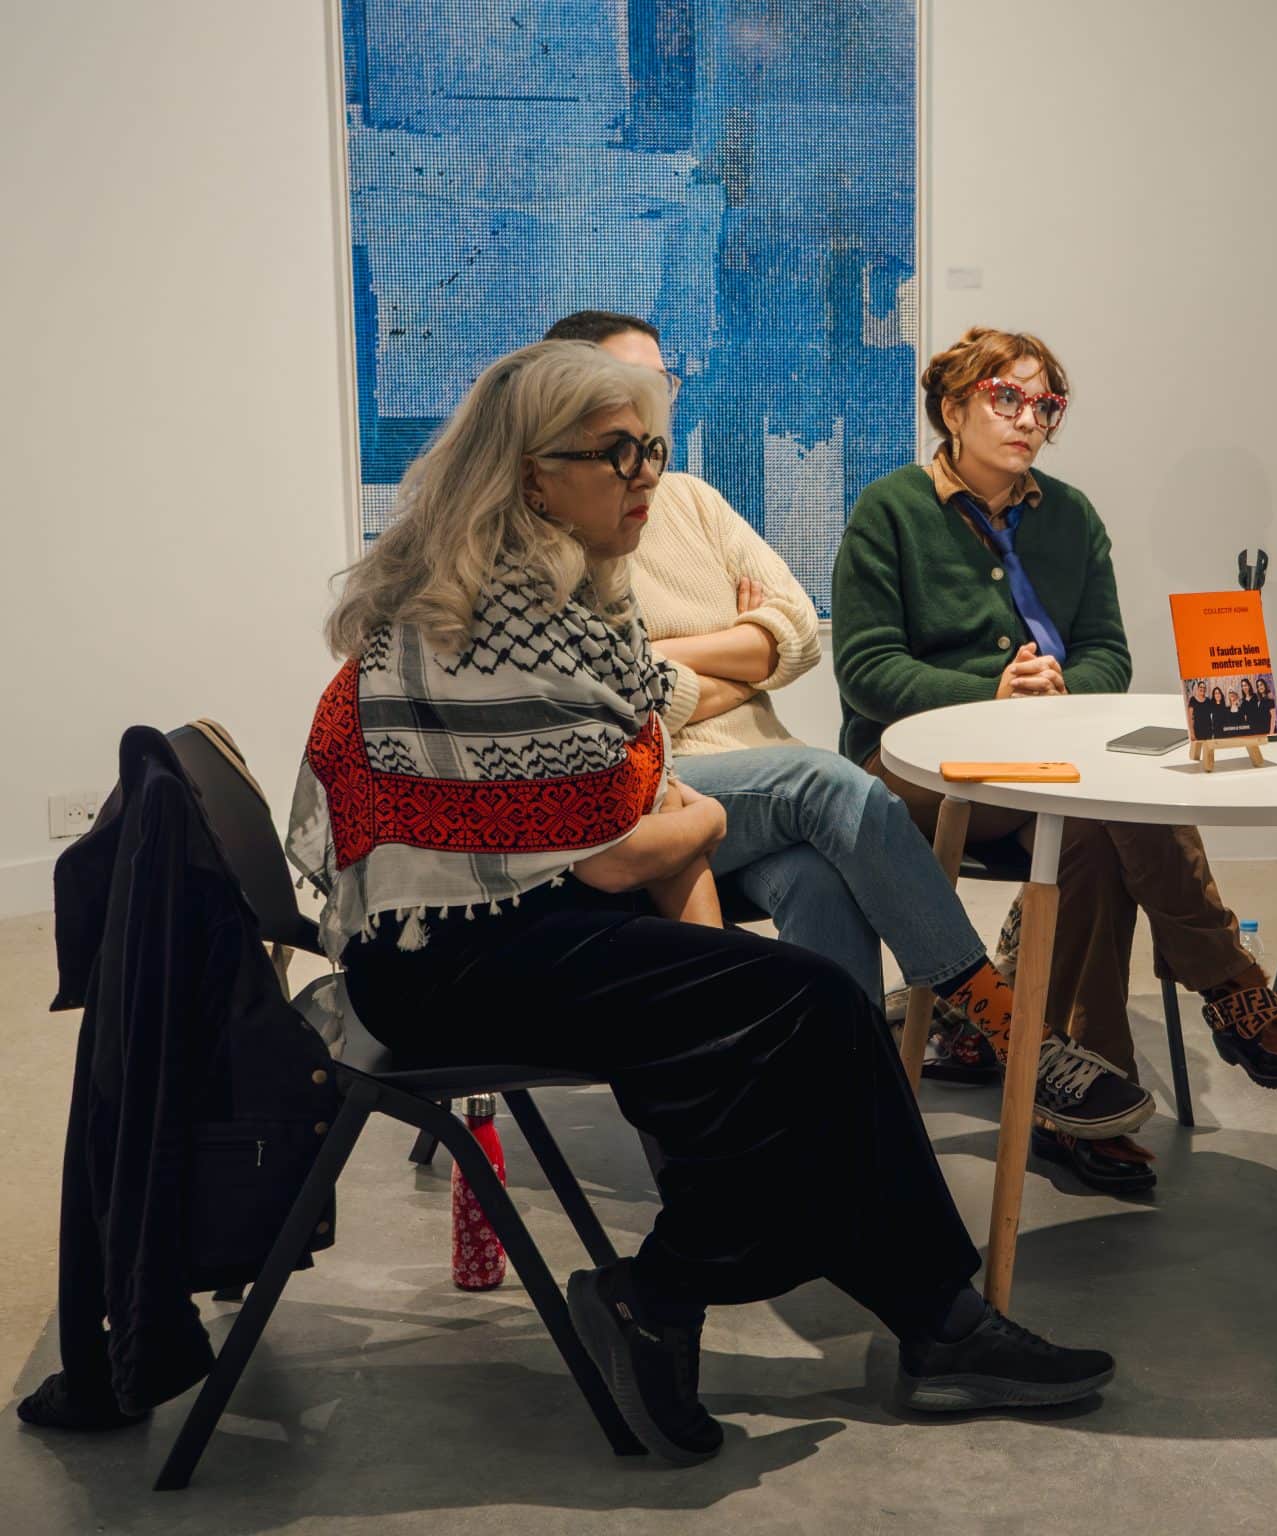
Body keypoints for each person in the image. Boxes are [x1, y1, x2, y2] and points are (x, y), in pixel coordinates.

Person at [289, 340, 1115, 1463]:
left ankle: (929, 1320)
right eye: (616, 454)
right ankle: (694, 1295)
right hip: (449, 962)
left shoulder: (555, 596)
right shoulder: (496, 623)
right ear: (534, 476)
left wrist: (672, 789)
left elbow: (700, 692)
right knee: (814, 1014)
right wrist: (703, 817)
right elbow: (621, 851)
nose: (646, 476)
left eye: (652, 449)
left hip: (508, 926)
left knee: (807, 1017)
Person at [832, 325, 1277, 1195]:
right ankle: (1231, 989)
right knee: (1107, 808)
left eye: (1047, 405)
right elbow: (866, 670)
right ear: (953, 407)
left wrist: (1062, 691)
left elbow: (1109, 653)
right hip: (918, 775)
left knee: (1103, 825)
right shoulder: (892, 509)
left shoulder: (1070, 514)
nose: (1030, 419)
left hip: (1052, 764)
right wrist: (991, 691)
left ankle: (1082, 1102)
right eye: (1007, 397)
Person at [542, 310, 1008, 1091]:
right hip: (658, 788)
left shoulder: (691, 501)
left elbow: (795, 631)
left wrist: (680, 661)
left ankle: (849, 1097)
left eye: (662, 383)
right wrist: (739, 652)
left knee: (818, 872)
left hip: (753, 778)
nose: (656, 406)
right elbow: (622, 697)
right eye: (633, 386)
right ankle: (992, 1008)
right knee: (825, 782)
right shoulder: (563, 532)